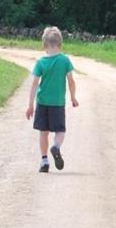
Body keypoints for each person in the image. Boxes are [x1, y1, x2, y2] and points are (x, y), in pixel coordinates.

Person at [25, 26, 79, 173]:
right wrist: (73, 97)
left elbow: (34, 84)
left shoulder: (41, 62)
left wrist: (30, 105)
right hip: (58, 103)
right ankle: (56, 146)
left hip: (42, 103)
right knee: (60, 130)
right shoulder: (65, 60)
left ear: (44, 45)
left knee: (43, 132)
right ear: (60, 44)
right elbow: (71, 81)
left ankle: (44, 161)